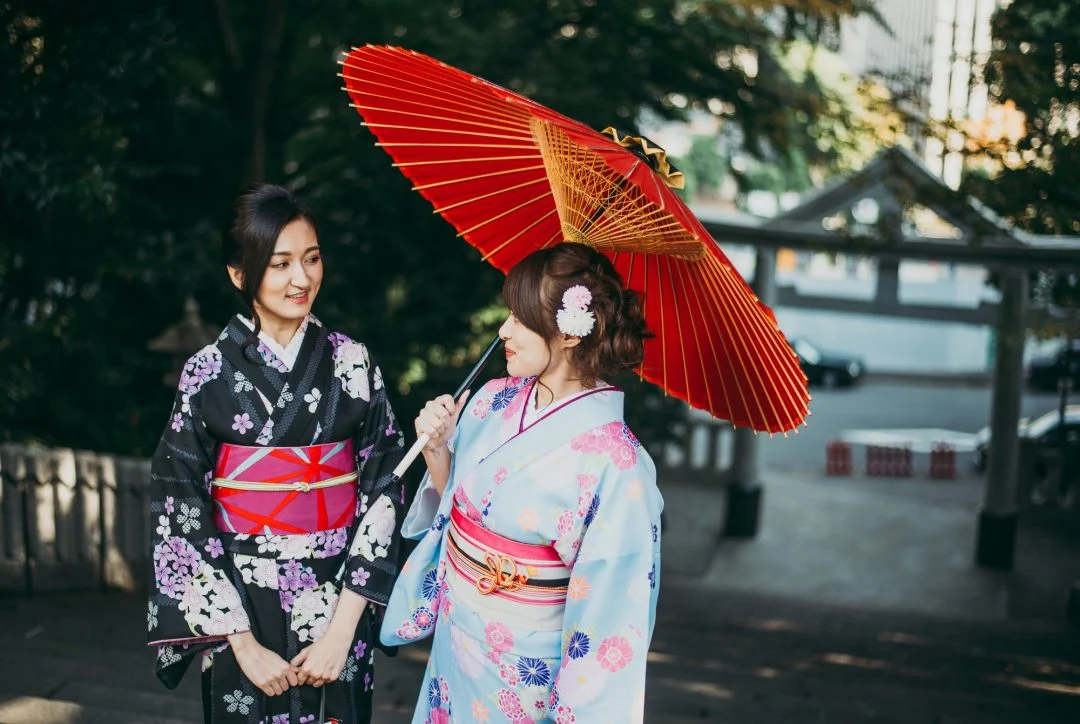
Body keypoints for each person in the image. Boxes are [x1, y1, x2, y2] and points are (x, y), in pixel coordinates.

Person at [146, 183, 408, 724]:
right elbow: (179, 506)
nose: (302, 278)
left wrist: (342, 631)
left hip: (338, 599)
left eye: (311, 259)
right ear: (238, 274)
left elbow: (387, 487)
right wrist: (239, 641)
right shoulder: (207, 372)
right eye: (280, 263)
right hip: (240, 604)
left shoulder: (353, 362)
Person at [383, 242, 664, 723]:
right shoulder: (492, 400)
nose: (504, 329)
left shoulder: (618, 465)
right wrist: (437, 455)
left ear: (571, 332)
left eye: (519, 316)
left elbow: (610, 619)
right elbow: (463, 513)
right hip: (457, 647)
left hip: (528, 675)